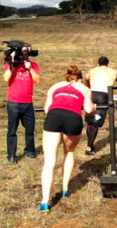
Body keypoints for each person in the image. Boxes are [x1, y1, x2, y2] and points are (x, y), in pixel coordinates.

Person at [38, 66, 95, 213]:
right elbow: (88, 110)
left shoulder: (55, 86)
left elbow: (47, 109)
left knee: (49, 162)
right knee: (68, 152)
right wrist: (94, 107)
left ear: (67, 77)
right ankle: (64, 189)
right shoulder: (84, 89)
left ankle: (45, 202)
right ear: (80, 78)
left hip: (54, 116)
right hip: (73, 118)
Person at [3, 43, 40, 164]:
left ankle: (30, 151)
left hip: (28, 102)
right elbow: (6, 78)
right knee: (12, 130)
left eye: (28, 51)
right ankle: (11, 155)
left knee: (30, 129)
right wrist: (12, 64)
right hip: (13, 102)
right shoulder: (10, 64)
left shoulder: (33, 64)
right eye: (24, 51)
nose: (26, 53)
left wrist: (30, 69)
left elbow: (37, 80)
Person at [83, 56, 117, 155]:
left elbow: (86, 78)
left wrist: (88, 86)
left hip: (92, 94)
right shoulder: (113, 71)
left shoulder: (92, 70)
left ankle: (90, 145)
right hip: (103, 95)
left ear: (98, 63)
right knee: (96, 122)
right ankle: (89, 147)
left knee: (90, 121)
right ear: (108, 64)